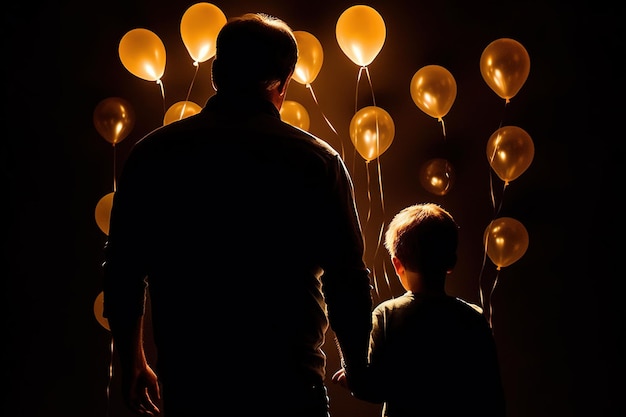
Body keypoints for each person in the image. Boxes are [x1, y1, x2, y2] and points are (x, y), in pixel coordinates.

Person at [102, 12, 373, 417]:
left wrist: (133, 362)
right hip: (289, 381)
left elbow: (123, 269)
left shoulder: (154, 154)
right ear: (284, 82)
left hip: (194, 381)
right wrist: (357, 366)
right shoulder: (317, 161)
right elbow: (346, 277)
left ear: (216, 73)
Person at [332, 203, 506, 416]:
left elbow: (374, 390)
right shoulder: (474, 318)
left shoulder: (387, 315)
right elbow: (492, 395)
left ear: (397, 265)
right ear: (451, 262)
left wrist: (353, 377)